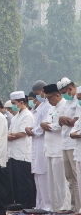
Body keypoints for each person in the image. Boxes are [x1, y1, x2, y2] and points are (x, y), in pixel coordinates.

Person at [42, 82, 72, 212]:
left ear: (58, 95)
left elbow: (61, 126)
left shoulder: (65, 106)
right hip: (49, 149)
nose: (48, 101)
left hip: (59, 149)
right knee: (52, 182)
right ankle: (55, 207)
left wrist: (48, 126)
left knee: (62, 181)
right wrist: (46, 125)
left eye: (49, 98)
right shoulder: (51, 108)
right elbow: (47, 123)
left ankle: (65, 206)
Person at [25, 81, 51, 211]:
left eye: (37, 94)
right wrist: (31, 129)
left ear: (42, 91)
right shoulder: (40, 107)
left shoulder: (48, 106)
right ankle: (39, 204)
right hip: (36, 141)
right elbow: (37, 125)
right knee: (37, 173)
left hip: (42, 141)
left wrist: (33, 131)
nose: (37, 97)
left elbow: (43, 126)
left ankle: (47, 205)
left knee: (43, 173)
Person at [7, 91, 35, 208]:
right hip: (13, 153)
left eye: (14, 103)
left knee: (24, 181)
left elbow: (22, 133)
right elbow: (11, 133)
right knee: (15, 181)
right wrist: (9, 136)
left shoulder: (27, 115)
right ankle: (19, 204)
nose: (13, 105)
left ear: (21, 102)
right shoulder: (15, 117)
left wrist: (9, 136)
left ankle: (28, 204)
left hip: (23, 153)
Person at [57, 77, 79, 212]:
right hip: (64, 142)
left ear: (70, 88)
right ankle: (72, 206)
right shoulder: (67, 102)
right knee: (69, 177)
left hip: (73, 143)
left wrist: (65, 120)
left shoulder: (78, 101)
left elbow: (75, 122)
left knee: (76, 177)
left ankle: (78, 208)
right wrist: (61, 119)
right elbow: (61, 121)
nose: (64, 95)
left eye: (64, 91)